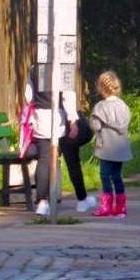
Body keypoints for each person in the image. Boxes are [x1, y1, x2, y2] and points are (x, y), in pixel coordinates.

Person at [25, 65, 96, 215]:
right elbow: (67, 96)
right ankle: (82, 200)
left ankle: (42, 202)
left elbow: (28, 96)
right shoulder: (62, 67)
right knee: (72, 160)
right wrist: (73, 121)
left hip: (40, 118)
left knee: (44, 159)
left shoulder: (34, 68)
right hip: (59, 119)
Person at [89, 70, 133, 218]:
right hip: (120, 148)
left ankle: (106, 206)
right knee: (117, 176)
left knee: (105, 175)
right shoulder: (123, 105)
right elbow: (125, 123)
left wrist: (92, 120)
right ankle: (121, 207)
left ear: (101, 87)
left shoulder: (100, 107)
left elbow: (96, 126)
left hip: (106, 147)